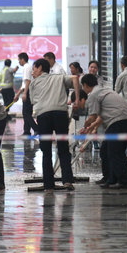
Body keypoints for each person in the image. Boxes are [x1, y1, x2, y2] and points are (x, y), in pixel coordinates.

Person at [30, 59, 80, 192]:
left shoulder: (34, 83)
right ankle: (67, 181)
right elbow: (75, 78)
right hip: (60, 114)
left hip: (43, 116)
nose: (32, 72)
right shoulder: (59, 77)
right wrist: (77, 100)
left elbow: (32, 101)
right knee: (63, 148)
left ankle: (48, 185)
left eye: (34, 69)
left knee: (46, 151)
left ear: (40, 68)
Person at [81, 73, 127, 189]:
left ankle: (123, 181)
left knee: (113, 152)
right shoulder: (105, 90)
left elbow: (93, 116)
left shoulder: (94, 95)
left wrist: (85, 126)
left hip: (118, 123)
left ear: (85, 85)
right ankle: (113, 178)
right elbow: (101, 117)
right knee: (108, 150)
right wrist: (91, 127)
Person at [13, 52, 38, 136]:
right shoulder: (26, 67)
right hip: (27, 91)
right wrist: (17, 94)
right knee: (26, 113)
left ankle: (36, 129)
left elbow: (28, 81)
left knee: (26, 113)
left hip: (28, 92)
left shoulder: (27, 67)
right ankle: (26, 131)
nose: (18, 62)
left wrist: (25, 93)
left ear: (22, 59)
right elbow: (24, 83)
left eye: (19, 60)